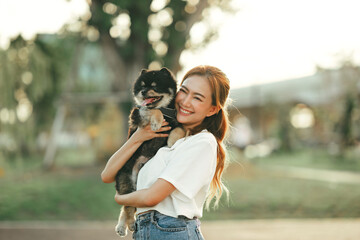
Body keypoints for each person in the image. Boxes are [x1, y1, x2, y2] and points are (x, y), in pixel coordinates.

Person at [101, 65, 230, 239]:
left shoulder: (202, 142)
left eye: (197, 98)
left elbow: (151, 197)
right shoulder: (162, 136)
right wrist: (138, 137)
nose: (185, 101)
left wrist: (120, 199)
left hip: (172, 231)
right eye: (184, 91)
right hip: (149, 230)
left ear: (212, 109)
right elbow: (107, 175)